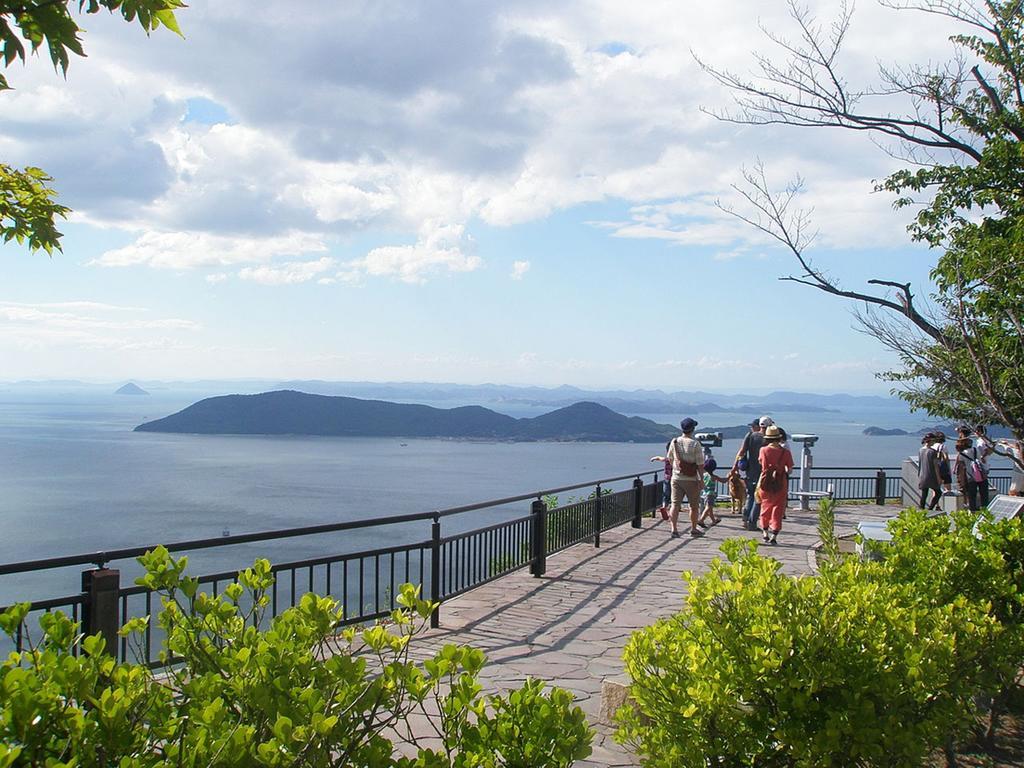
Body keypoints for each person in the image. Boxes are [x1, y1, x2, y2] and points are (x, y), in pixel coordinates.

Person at [667, 418, 705, 538]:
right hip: (691, 479)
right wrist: (701, 480)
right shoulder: (695, 444)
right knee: (694, 506)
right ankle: (693, 528)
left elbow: (670, 458)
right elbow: (700, 464)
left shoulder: (674, 442)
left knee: (675, 504)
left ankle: (674, 529)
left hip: (676, 478)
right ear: (693, 429)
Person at [757, 425, 793, 545]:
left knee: (765, 506)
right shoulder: (786, 452)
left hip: (765, 482)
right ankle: (774, 534)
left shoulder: (763, 450)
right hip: (780, 482)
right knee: (778, 508)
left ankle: (765, 532)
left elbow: (761, 463)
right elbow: (790, 468)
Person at [735, 417, 769, 531]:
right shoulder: (768, 439)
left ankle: (745, 518)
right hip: (763, 473)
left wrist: (735, 467)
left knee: (750, 496)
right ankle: (752, 522)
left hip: (750, 471)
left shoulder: (750, 436)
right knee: (758, 499)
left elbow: (742, 451)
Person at [953, 427, 979, 511]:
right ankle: (971, 508)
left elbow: (959, 459)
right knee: (972, 493)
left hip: (966, 472)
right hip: (974, 473)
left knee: (965, 490)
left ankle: (967, 506)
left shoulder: (962, 449)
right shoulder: (973, 449)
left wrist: (955, 467)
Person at [698, 457, 728, 527]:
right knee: (708, 507)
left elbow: (700, 483)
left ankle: (713, 521)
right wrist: (729, 476)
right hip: (710, 495)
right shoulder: (714, 477)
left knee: (710, 509)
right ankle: (701, 520)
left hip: (704, 494)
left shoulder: (704, 475)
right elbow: (723, 481)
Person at [917, 432, 943, 510]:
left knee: (924, 493)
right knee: (938, 492)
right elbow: (936, 466)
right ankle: (930, 508)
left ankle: (921, 509)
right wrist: (939, 478)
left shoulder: (921, 450)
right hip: (931, 475)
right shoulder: (933, 452)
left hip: (922, 475)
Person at [649, 441, 673, 520]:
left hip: (666, 479)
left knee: (665, 495)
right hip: (675, 479)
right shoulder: (676, 460)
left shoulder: (666, 459)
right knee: (674, 496)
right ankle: (672, 511)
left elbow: (659, 458)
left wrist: (653, 458)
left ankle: (664, 507)